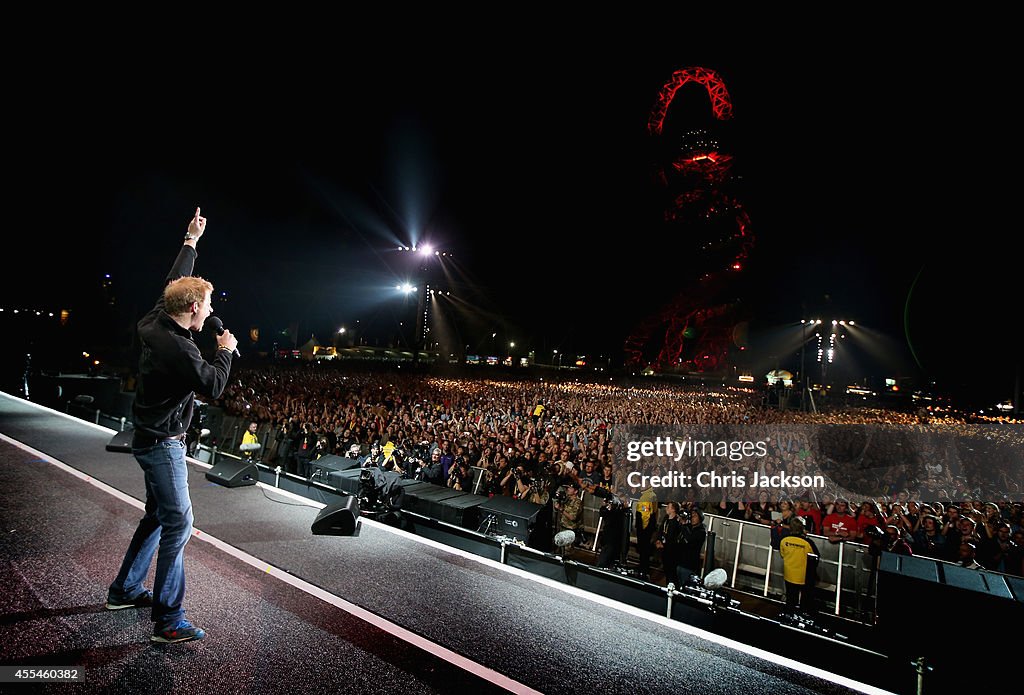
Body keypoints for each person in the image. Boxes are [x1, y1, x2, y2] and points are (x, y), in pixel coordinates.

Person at [107, 208, 237, 644]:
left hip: (149, 435)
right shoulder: (181, 350)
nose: (212, 311)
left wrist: (191, 240)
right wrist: (227, 350)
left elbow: (173, 280)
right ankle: (169, 620)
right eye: (210, 306)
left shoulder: (156, 318)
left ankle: (125, 590)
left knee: (158, 516)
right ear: (195, 309)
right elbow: (213, 384)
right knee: (180, 522)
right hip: (163, 444)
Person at [776, 516, 819, 614]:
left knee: (790, 598)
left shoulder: (784, 540)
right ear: (802, 528)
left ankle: (789, 616)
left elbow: (782, 554)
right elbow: (815, 558)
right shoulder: (808, 542)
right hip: (804, 576)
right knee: (805, 600)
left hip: (789, 574)